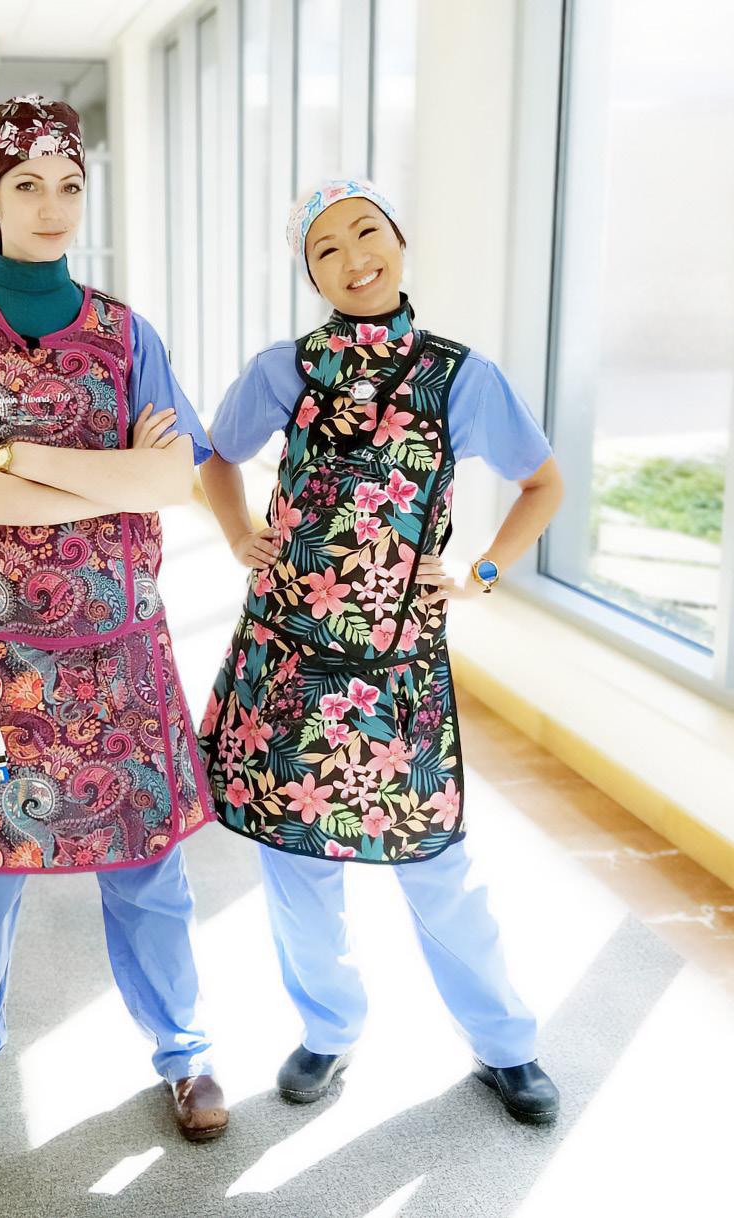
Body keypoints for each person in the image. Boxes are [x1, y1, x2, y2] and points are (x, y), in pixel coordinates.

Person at [0, 95, 228, 1174]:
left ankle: (185, 1054)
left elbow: (172, 481)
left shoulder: (126, 334)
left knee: (149, 867)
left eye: (69, 184)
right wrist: (109, 473)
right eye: (26, 184)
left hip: (125, 656)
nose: (51, 205)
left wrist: (19, 458)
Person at [197, 177, 564, 1123]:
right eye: (326, 248)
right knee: (295, 859)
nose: (354, 258)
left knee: (434, 864)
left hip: (398, 665)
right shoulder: (284, 370)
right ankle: (328, 1031)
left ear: (399, 239)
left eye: (367, 233)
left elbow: (543, 483)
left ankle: (506, 1045)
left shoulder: (460, 375)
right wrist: (240, 537)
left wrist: (480, 572)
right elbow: (214, 457)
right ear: (309, 273)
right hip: (287, 655)